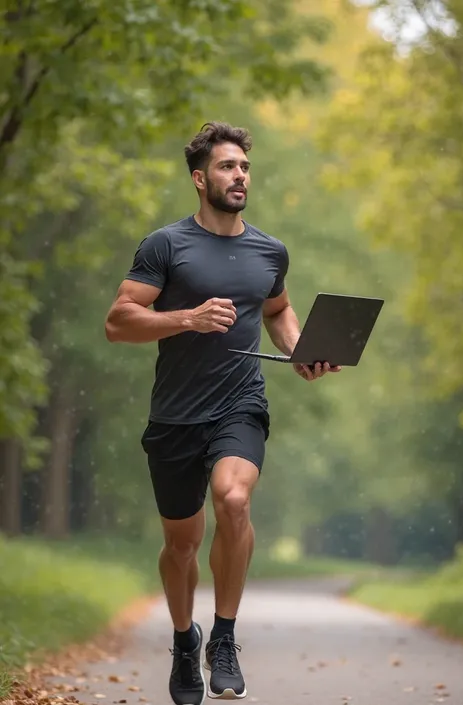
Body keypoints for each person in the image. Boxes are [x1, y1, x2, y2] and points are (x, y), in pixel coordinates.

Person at [105, 121, 341, 704]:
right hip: (176, 415)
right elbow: (118, 322)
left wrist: (302, 351)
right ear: (199, 178)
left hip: (241, 403)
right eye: (227, 167)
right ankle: (187, 641)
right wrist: (184, 318)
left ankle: (226, 639)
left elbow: (279, 311)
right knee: (181, 546)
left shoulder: (269, 250)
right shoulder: (165, 246)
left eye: (244, 167)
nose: (239, 176)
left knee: (234, 499)